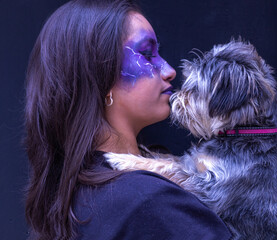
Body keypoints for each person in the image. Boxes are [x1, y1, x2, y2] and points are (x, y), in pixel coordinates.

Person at [24, 0, 232, 239]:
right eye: (146, 54)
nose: (169, 70)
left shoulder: (68, 199)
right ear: (100, 76)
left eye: (158, 53)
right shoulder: (149, 202)